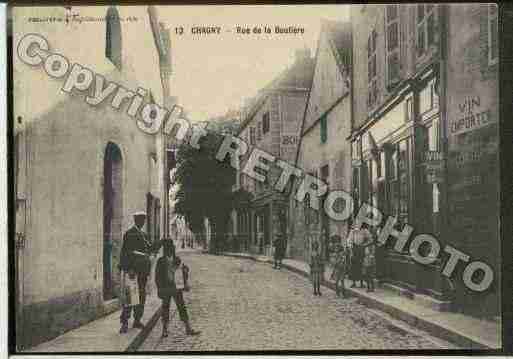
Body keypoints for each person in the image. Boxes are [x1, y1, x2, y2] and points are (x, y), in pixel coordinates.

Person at [119, 211, 161, 334]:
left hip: (142, 270)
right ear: (135, 220)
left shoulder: (144, 235)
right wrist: (129, 269)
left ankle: (137, 320)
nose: (142, 222)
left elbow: (150, 248)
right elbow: (125, 253)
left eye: (143, 220)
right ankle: (124, 322)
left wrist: (159, 244)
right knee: (130, 296)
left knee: (141, 296)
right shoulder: (129, 234)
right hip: (133, 270)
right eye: (139, 219)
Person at [155, 240, 200, 337]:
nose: (170, 250)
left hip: (176, 287)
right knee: (165, 308)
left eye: (171, 248)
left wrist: (186, 272)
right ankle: (164, 330)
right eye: (168, 248)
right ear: (165, 249)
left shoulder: (178, 260)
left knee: (181, 307)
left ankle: (188, 328)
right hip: (166, 287)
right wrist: (159, 289)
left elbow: (183, 273)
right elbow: (157, 277)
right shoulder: (160, 261)